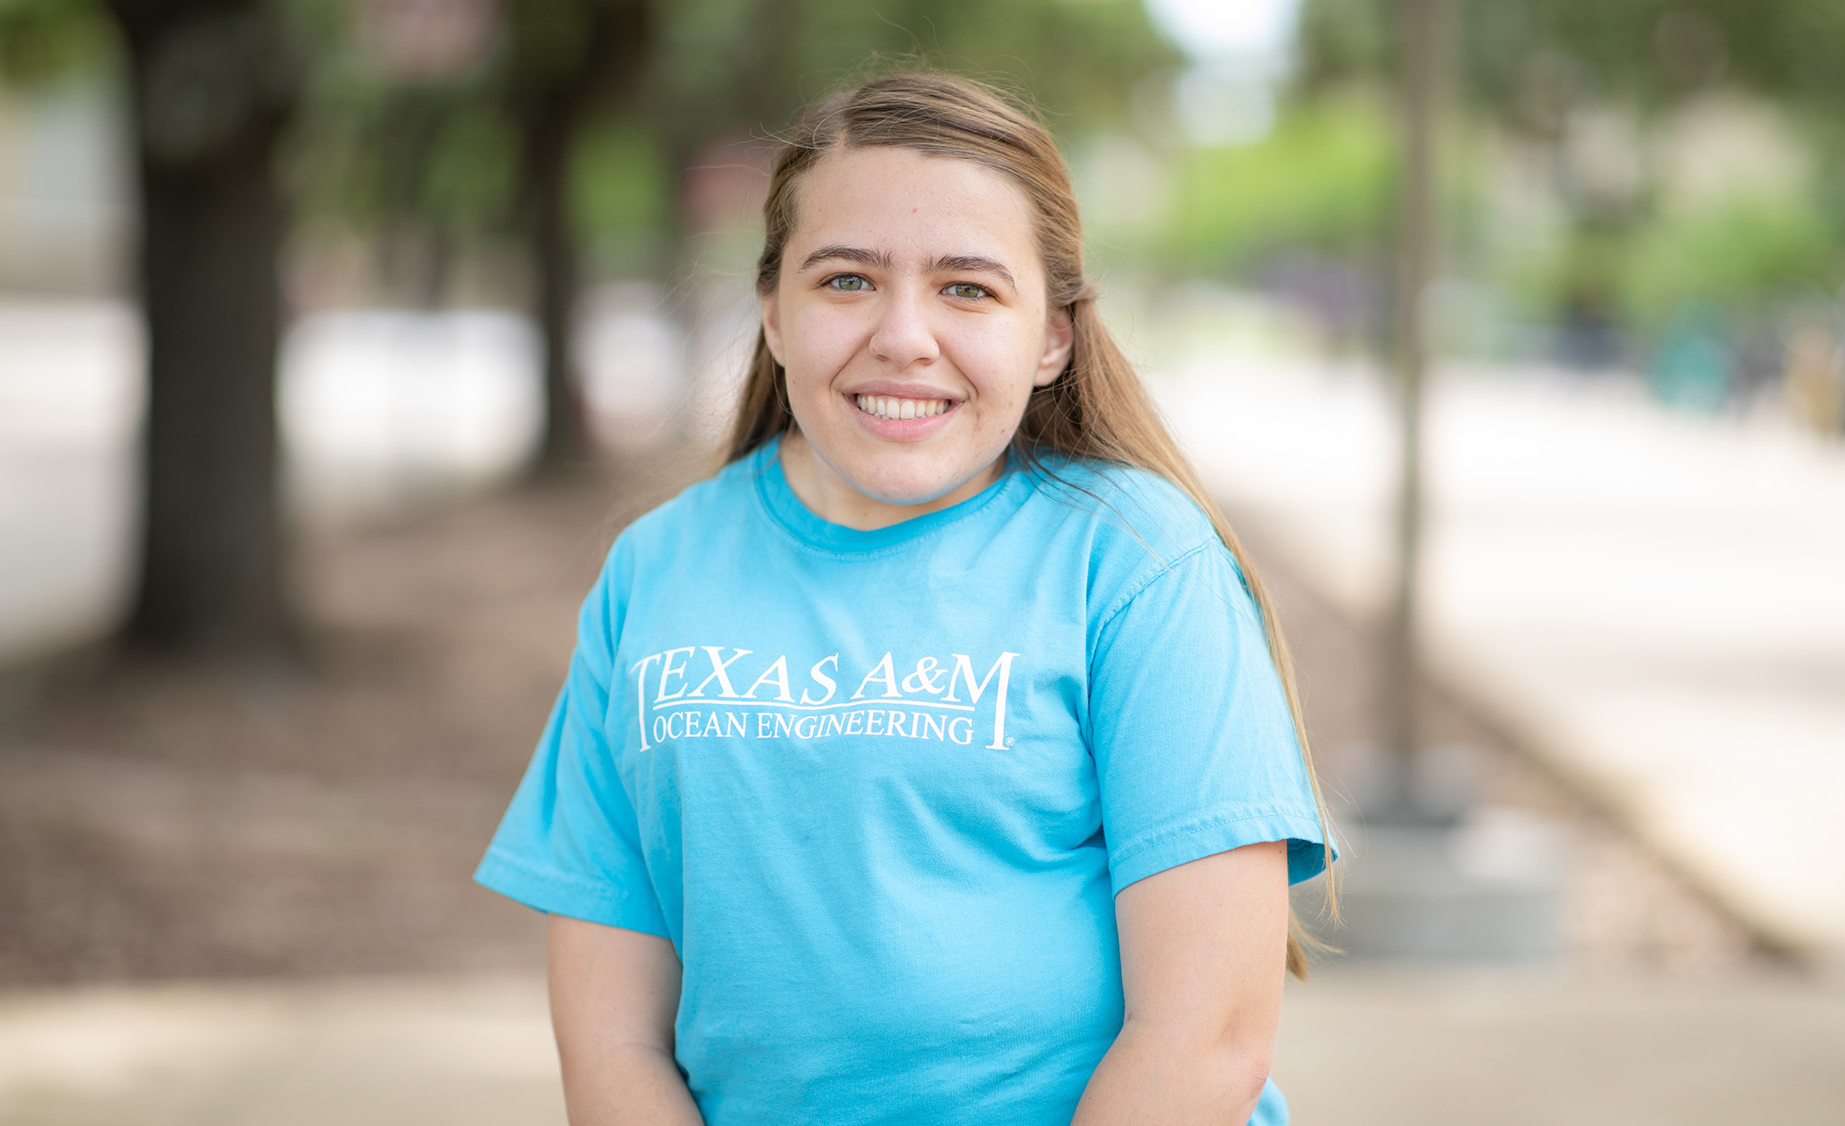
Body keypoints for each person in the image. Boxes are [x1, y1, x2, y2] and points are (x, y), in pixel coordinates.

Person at [476, 72, 1334, 1126]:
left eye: (966, 289)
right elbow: (612, 1037)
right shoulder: (654, 572)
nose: (902, 336)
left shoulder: (1134, 563)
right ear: (771, 311)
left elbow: (1205, 1039)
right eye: (845, 280)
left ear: (1052, 335)